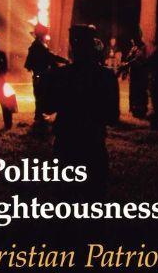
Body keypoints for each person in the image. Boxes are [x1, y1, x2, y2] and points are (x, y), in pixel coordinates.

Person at [44, 25, 119, 196]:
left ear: (73, 47)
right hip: (94, 143)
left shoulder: (62, 75)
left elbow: (47, 106)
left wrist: (48, 81)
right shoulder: (106, 76)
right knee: (93, 200)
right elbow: (112, 117)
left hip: (66, 143)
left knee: (65, 199)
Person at [24, 25, 69, 124]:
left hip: (40, 73)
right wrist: (64, 60)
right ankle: (39, 115)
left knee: (40, 94)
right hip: (40, 74)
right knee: (40, 94)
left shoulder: (38, 44)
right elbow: (50, 56)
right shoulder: (38, 45)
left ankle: (39, 114)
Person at [122, 35, 149, 118]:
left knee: (140, 92)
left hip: (140, 74)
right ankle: (132, 108)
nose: (132, 42)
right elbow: (128, 58)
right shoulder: (134, 48)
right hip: (133, 73)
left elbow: (137, 59)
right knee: (132, 91)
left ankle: (140, 110)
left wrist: (127, 64)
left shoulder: (143, 48)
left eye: (133, 40)